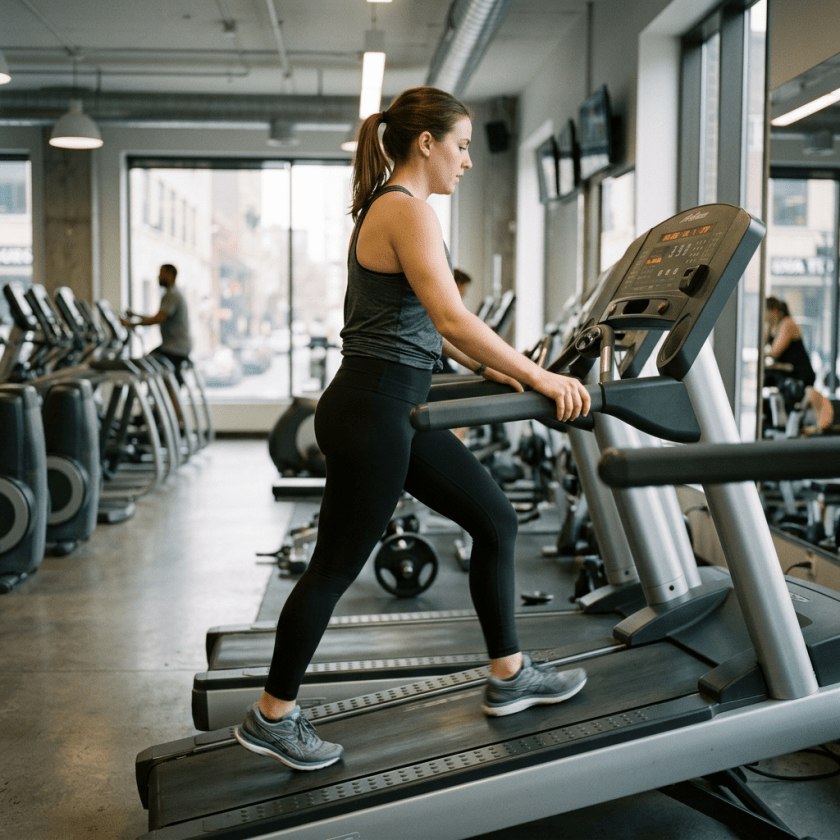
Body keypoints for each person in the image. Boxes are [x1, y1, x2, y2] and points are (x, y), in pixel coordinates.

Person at [234, 86, 591, 772]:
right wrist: (543, 379)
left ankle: (509, 674)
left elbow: (432, 327)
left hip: (393, 402)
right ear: (426, 144)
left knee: (495, 521)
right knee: (334, 569)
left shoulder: (396, 209)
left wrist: (506, 369)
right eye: (461, 146)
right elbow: (455, 319)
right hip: (376, 409)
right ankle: (273, 715)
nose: (467, 160)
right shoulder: (406, 210)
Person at [121, 264, 193, 381]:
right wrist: (134, 315)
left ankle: (161, 395)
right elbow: (158, 317)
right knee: (148, 365)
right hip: (176, 347)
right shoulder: (174, 293)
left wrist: (129, 324)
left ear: (170, 275)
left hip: (175, 349)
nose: (158, 277)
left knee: (142, 365)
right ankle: (163, 394)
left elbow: (156, 319)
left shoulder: (171, 295)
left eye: (161, 273)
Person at [764, 296, 815, 390]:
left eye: (764, 310)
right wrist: (768, 325)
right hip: (786, 372)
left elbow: (775, 352)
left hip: (800, 374)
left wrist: (762, 356)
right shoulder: (771, 326)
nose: (762, 314)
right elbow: (761, 344)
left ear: (773, 310)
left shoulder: (787, 323)